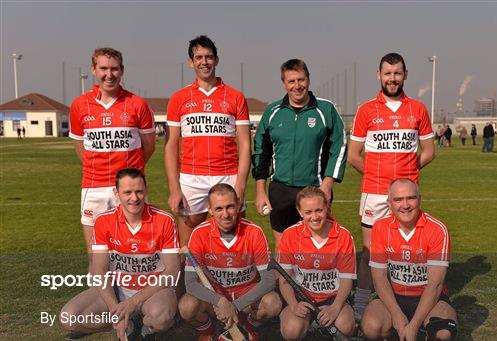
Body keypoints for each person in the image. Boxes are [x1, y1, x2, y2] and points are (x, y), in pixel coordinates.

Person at [347, 53, 435, 322]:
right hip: (373, 193)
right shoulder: (366, 110)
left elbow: (429, 151)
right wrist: (378, 176)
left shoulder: (417, 109)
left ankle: (405, 300)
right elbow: (353, 154)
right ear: (379, 75)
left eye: (397, 73)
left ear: (405, 75)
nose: (392, 78)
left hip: (407, 195)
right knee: (371, 251)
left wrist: (405, 178)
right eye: (387, 73)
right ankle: (362, 303)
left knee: (405, 249)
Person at [60, 168, 180, 341]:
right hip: (118, 290)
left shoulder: (164, 220)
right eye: (127, 192)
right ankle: (130, 328)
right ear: (117, 194)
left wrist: (133, 302)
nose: (134, 198)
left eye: (139, 191)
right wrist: (115, 308)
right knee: (69, 318)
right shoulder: (103, 221)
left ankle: (148, 332)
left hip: (153, 291)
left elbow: (172, 270)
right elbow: (99, 270)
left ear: (146, 190)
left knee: (161, 317)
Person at [165, 35, 251, 249]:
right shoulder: (179, 98)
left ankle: (233, 281)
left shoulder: (235, 97)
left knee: (234, 238)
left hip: (227, 174)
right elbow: (170, 146)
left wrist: (240, 183)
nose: (204, 62)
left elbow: (245, 144)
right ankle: (189, 283)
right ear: (191, 62)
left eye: (209, 57)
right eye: (199, 57)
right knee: (187, 241)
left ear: (217, 60)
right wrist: (174, 188)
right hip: (191, 178)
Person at [178, 183, 281, 341]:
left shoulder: (253, 232)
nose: (225, 214)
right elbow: (190, 284)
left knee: (273, 303)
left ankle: (249, 328)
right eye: (218, 208)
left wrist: (235, 306)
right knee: (186, 306)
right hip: (215, 300)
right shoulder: (199, 233)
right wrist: (220, 301)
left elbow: (269, 280)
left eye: (230, 207)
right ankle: (208, 332)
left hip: (247, 299)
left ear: (238, 204)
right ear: (210, 209)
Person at [252, 59, 347, 246]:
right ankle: (284, 277)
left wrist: (327, 185)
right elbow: (261, 152)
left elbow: (340, 146)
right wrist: (260, 190)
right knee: (283, 248)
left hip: (314, 189)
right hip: (280, 189)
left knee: (316, 245)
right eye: (291, 81)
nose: (297, 86)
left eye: (301, 80)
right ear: (284, 83)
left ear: (309, 79)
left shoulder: (325, 109)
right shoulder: (273, 111)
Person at [69, 47, 156, 253]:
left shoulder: (137, 104)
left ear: (122, 70)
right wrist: (97, 168)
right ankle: (101, 285)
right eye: (103, 68)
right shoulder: (80, 105)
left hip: (130, 187)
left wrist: (129, 173)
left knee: (136, 249)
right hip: (94, 186)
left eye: (114, 69)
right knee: (97, 252)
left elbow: (149, 146)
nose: (109, 75)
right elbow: (81, 148)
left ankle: (135, 285)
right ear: (94, 70)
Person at [361, 178, 457, 341]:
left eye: (411, 198)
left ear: (419, 200)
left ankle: (424, 335)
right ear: (389, 204)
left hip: (428, 298)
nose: (405, 205)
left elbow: (435, 285)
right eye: (398, 200)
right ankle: (394, 337)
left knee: (443, 332)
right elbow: (379, 278)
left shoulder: (437, 229)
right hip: (395, 297)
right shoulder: (380, 228)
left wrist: (412, 325)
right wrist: (397, 314)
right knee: (371, 327)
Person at [277, 186, 356, 341]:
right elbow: (284, 278)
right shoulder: (289, 235)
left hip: (332, 297)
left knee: (346, 325)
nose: (314, 216)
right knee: (292, 329)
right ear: (299, 212)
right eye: (308, 212)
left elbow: (346, 279)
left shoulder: (343, 236)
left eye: (319, 210)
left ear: (327, 207)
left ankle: (335, 339)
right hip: (302, 298)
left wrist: (336, 307)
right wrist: (292, 304)